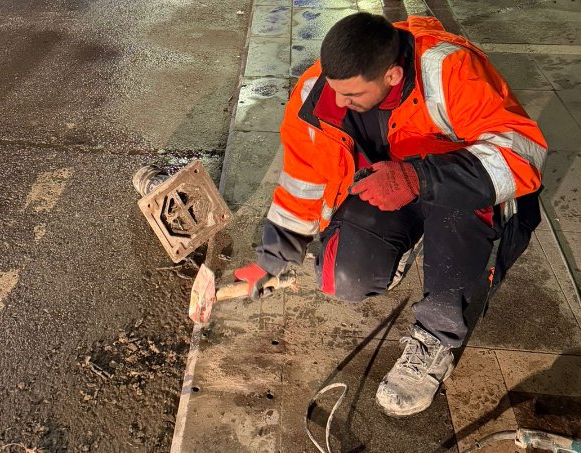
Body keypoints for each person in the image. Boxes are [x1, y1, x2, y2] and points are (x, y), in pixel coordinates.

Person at [233, 12, 547, 417]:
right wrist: (270, 259)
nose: (339, 103)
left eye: (352, 97)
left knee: (456, 217)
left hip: (461, 191)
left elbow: (523, 154)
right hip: (391, 184)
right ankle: (407, 238)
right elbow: (302, 182)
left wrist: (418, 179)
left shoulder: (450, 70)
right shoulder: (318, 93)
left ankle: (437, 336)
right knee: (341, 277)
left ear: (394, 78)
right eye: (335, 91)